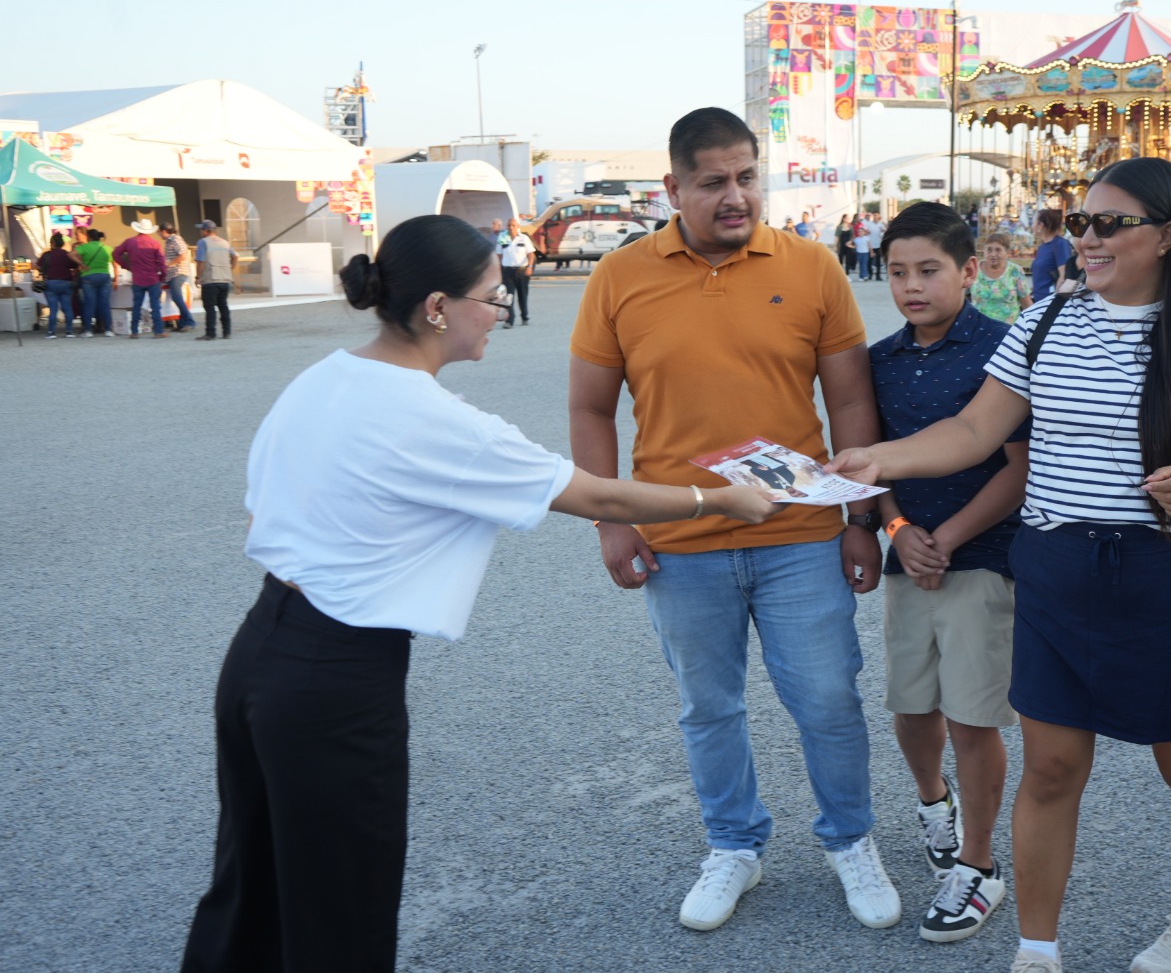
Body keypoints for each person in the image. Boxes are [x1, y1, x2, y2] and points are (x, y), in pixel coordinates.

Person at [179, 214, 775, 973]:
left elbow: (265, 506)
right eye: (491, 297)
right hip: (335, 678)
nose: (501, 310)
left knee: (252, 881)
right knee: (341, 905)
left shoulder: (325, 376)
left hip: (261, 649)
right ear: (437, 308)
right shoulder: (435, 420)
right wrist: (718, 502)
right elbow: (598, 496)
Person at [828, 158, 1171, 973]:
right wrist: (879, 458)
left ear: (1165, 234)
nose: (1085, 238)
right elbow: (976, 433)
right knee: (1049, 766)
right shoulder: (1047, 318)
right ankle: (1036, 951)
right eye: (1079, 222)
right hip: (1055, 568)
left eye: (1109, 224)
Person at [567, 107, 898, 934]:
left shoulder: (813, 267)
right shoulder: (620, 276)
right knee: (707, 706)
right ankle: (734, 845)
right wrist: (609, 520)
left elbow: (851, 398)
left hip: (800, 537)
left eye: (747, 176)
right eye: (712, 182)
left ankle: (851, 840)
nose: (735, 196)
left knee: (827, 698)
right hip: (678, 540)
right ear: (672, 187)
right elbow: (589, 407)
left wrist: (860, 517)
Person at [871, 202, 1029, 943]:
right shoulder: (880, 360)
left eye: (928, 270)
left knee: (973, 715)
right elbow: (872, 463)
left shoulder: (1003, 350)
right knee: (910, 706)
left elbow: (1020, 470)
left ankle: (979, 865)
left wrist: (950, 536)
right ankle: (935, 805)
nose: (912, 286)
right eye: (898, 271)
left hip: (984, 560)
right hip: (908, 561)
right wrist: (900, 532)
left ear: (969, 271)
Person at [114, 219, 168, 338]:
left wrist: (126, 266)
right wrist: (162, 276)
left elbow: (115, 254)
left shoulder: (130, 242)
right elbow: (162, 263)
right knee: (155, 305)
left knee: (136, 305)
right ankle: (158, 331)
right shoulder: (155, 244)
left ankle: (134, 331)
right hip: (153, 278)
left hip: (137, 278)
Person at [972, 232, 1032, 324]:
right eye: (989, 250)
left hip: (1009, 332)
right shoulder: (974, 270)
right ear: (984, 251)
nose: (993, 254)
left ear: (1007, 252)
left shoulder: (1015, 271)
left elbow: (1027, 305)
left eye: (998, 250)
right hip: (978, 330)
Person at [195, 220, 237, 341]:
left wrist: (198, 277)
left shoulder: (203, 242)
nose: (200, 231)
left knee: (209, 307)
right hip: (225, 279)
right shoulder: (225, 242)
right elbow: (235, 257)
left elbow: (200, 261)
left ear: (206, 231)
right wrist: (229, 269)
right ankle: (226, 332)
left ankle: (210, 333)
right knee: (223, 306)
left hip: (210, 279)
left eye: (202, 229)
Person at [74, 228, 114, 337]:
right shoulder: (107, 248)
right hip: (105, 276)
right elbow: (114, 262)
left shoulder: (83, 247)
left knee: (89, 304)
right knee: (105, 304)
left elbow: (71, 255)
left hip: (88, 277)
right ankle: (108, 330)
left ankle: (88, 330)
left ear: (89, 237)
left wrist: (81, 264)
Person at [37, 233, 79, 339]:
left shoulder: (46, 255)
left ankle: (52, 332)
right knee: (67, 308)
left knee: (53, 308)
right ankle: (69, 331)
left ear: (53, 243)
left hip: (51, 283)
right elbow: (75, 266)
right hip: (66, 283)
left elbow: (38, 266)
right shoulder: (67, 254)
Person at [1029, 209, 1073, 302]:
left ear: (1041, 225)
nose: (1032, 226)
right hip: (1039, 300)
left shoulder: (1060, 244)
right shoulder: (1043, 246)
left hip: (1050, 302)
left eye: (1034, 222)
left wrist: (1057, 302)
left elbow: (1065, 275)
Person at [161, 221, 197, 332]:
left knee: (177, 298)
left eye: (159, 232)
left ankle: (190, 321)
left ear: (164, 231)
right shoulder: (170, 240)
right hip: (175, 273)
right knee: (176, 298)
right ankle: (182, 323)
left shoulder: (175, 240)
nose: (159, 235)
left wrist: (170, 263)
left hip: (178, 272)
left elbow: (183, 255)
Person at [499, 218, 534, 329]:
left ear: (518, 226)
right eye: (509, 225)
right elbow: (498, 255)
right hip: (507, 271)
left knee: (522, 296)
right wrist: (498, 269)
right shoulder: (502, 238)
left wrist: (530, 266)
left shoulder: (524, 238)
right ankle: (509, 321)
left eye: (513, 225)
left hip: (522, 271)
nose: (511, 227)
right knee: (508, 297)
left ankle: (524, 317)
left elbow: (531, 254)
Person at [867, 212, 887, 280]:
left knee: (878, 261)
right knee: (869, 261)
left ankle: (878, 276)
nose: (875, 217)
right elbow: (866, 232)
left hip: (878, 245)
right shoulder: (869, 224)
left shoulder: (881, 224)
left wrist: (884, 230)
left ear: (879, 217)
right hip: (870, 245)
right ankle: (870, 274)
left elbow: (885, 232)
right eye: (874, 216)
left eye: (877, 216)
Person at [853, 214, 873, 282]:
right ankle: (861, 276)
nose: (860, 233)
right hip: (859, 253)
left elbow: (870, 246)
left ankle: (865, 276)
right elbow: (855, 246)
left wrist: (871, 252)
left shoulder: (866, 238)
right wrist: (849, 245)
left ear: (864, 232)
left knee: (864, 264)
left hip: (865, 253)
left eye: (861, 231)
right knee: (860, 265)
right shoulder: (856, 239)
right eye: (859, 232)